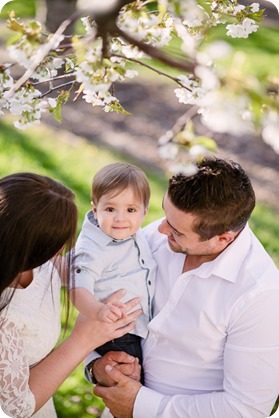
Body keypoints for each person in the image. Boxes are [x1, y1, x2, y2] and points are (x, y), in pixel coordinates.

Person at [91, 157, 279, 418]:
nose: (160, 228)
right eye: (166, 215)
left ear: (223, 238)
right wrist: (97, 365)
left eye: (177, 231)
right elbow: (107, 305)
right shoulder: (158, 239)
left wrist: (140, 405)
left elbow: (245, 409)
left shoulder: (260, 296)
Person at [0, 172, 141, 418]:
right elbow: (15, 408)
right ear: (38, 247)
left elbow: (74, 269)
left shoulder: (40, 264)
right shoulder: (6, 315)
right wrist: (83, 340)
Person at [70, 162, 156, 380]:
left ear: (144, 211)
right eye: (110, 209)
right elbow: (77, 289)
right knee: (130, 380)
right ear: (95, 208)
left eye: (130, 210)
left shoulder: (134, 234)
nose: (120, 218)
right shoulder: (93, 248)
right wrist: (98, 311)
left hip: (135, 327)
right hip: (117, 332)